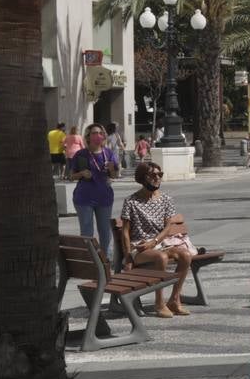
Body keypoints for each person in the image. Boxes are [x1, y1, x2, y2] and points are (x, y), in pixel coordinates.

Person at [120, 162, 195, 318]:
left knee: (186, 255)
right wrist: (127, 257)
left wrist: (154, 242)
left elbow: (168, 226)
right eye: (152, 175)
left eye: (159, 175)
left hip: (159, 243)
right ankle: (159, 303)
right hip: (139, 247)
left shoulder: (166, 199)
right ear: (142, 178)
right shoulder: (131, 201)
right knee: (161, 257)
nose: (157, 178)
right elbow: (125, 231)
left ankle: (174, 299)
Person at [69, 123, 120, 261]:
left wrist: (111, 169)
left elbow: (114, 176)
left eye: (100, 133)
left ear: (103, 136)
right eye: (94, 133)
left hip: (104, 198)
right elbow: (71, 176)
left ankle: (106, 261)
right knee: (87, 232)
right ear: (88, 136)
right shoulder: (81, 154)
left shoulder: (109, 153)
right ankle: (90, 261)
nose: (97, 136)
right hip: (84, 198)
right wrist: (81, 174)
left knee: (105, 231)